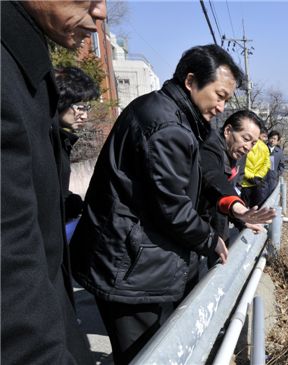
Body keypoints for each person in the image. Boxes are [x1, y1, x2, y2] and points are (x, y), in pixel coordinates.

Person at [70, 44, 270, 364]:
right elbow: (172, 207)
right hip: (130, 268)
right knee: (146, 355)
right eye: (219, 95)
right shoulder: (168, 126)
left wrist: (233, 206)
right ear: (191, 81)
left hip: (133, 261)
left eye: (226, 100)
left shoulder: (174, 115)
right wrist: (210, 240)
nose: (221, 106)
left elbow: (204, 174)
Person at [1, 1, 106, 364]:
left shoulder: (25, 69)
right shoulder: (9, 74)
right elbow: (8, 262)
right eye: (91, 0)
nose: (100, 15)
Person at [199, 110, 273, 244]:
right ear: (227, 131)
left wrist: (241, 219)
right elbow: (212, 176)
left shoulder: (237, 154)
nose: (248, 147)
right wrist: (237, 207)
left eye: (253, 143)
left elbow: (233, 187)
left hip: (218, 216)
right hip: (194, 221)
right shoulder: (209, 146)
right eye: (245, 139)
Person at [55, 66, 100, 225]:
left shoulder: (59, 139)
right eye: (80, 107)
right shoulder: (44, 139)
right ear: (63, 99)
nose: (85, 116)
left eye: (86, 108)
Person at [240, 126, 272, 207]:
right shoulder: (265, 147)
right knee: (255, 208)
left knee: (242, 208)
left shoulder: (246, 144)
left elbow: (240, 162)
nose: (265, 139)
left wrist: (249, 176)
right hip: (258, 183)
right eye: (264, 136)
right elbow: (267, 164)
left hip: (244, 182)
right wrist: (258, 176)